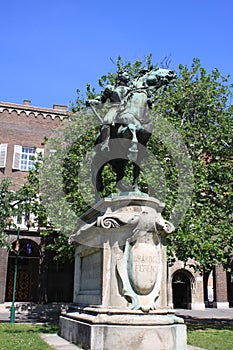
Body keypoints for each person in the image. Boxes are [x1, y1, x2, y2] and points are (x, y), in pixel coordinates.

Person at [87, 71, 131, 150]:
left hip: (127, 109)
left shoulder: (132, 90)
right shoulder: (111, 88)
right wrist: (92, 102)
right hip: (114, 108)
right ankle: (104, 144)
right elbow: (101, 102)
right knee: (107, 121)